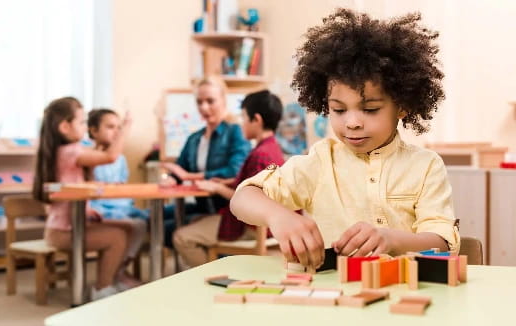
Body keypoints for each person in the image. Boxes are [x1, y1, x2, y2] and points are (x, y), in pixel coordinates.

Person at [230, 9, 460, 270]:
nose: (352, 122)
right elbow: (242, 199)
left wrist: (390, 239)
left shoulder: (425, 166)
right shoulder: (320, 161)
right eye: (339, 110)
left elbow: (443, 243)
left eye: (370, 109)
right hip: (335, 296)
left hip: (406, 293)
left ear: (403, 105)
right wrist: (278, 215)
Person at [33, 97, 140, 300]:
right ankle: (102, 288)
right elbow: (110, 156)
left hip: (62, 228)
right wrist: (126, 127)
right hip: (64, 232)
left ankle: (114, 279)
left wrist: (89, 207)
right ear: (65, 127)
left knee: (128, 228)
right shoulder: (71, 151)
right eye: (81, 122)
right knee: (117, 237)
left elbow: (72, 187)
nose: (85, 127)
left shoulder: (60, 152)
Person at [172, 90, 285, 267]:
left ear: (257, 120)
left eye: (244, 118)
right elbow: (251, 184)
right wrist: (224, 183)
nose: (241, 124)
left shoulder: (260, 155)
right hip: (260, 224)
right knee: (196, 221)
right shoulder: (271, 148)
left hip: (252, 227)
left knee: (181, 237)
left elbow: (252, 201)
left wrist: (218, 188)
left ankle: (210, 280)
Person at [155, 76, 251, 247]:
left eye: (210, 101)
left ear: (223, 100)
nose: (204, 107)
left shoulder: (235, 132)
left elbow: (235, 171)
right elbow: (180, 168)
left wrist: (191, 176)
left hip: (225, 210)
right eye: (199, 102)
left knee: (166, 229)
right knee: (152, 218)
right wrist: (171, 178)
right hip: (203, 207)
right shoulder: (194, 138)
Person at [87, 108, 148, 278]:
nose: (116, 132)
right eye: (110, 127)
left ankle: (120, 269)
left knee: (141, 223)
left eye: (118, 127)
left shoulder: (120, 158)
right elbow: (89, 185)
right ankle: (115, 273)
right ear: (93, 131)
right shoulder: (89, 156)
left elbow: (122, 182)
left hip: (121, 205)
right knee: (133, 226)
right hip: (100, 208)